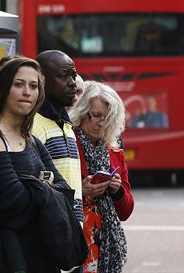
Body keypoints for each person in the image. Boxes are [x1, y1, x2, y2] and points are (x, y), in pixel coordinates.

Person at [0, 56, 73, 273]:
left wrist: (34, 188)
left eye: (33, 86)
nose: (27, 92)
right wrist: (45, 188)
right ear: (2, 90)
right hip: (11, 254)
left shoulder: (32, 140)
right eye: (18, 84)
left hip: (42, 252)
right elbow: (12, 203)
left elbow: (65, 194)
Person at [69, 81, 134, 273]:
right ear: (82, 112)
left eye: (108, 118)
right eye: (96, 115)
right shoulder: (68, 140)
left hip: (106, 241)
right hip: (76, 235)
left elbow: (126, 211)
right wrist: (81, 190)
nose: (101, 123)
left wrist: (117, 191)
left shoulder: (114, 152)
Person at [33, 50, 84, 225]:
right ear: (41, 81)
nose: (73, 83)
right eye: (63, 76)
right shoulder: (33, 126)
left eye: (74, 76)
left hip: (72, 229)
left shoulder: (68, 126)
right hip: (52, 230)